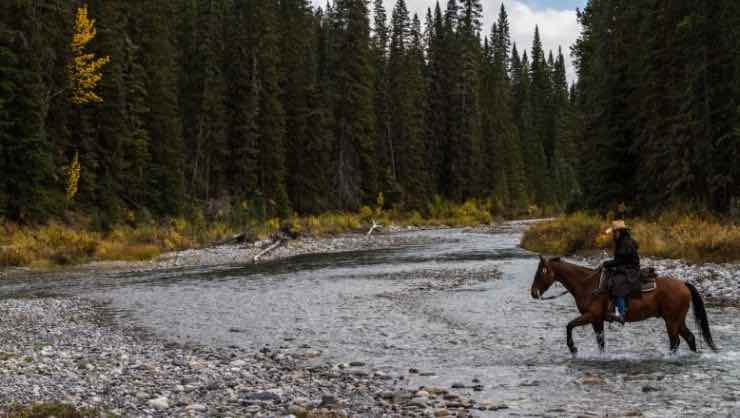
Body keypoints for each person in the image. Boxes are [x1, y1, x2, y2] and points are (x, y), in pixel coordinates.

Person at [593, 220, 641, 323]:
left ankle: (622, 313)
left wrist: (606, 263)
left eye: (615, 232)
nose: (613, 235)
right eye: (614, 233)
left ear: (620, 232)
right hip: (625, 266)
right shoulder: (622, 241)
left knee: (618, 284)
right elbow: (620, 260)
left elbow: (621, 260)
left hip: (630, 269)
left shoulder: (625, 242)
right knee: (608, 276)